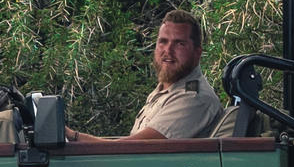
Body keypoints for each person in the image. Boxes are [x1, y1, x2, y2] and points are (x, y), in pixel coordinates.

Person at [74, 9, 222, 141]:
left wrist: (73, 137)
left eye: (179, 44)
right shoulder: (165, 91)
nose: (168, 51)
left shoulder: (194, 98)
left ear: (197, 53)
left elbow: (131, 149)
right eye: (163, 42)